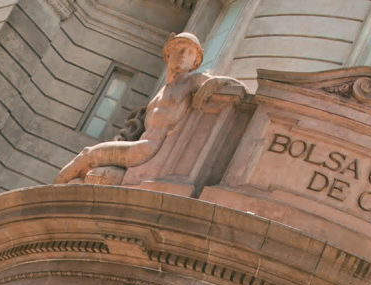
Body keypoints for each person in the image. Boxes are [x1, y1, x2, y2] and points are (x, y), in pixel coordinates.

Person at [54, 33, 247, 185]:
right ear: (168, 54)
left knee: (88, 154)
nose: (182, 56)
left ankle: (51, 193)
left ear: (195, 62)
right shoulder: (161, 92)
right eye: (179, 49)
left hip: (148, 150)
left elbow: (239, 88)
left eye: (189, 53)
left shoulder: (192, 82)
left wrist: (216, 83)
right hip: (140, 149)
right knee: (85, 177)